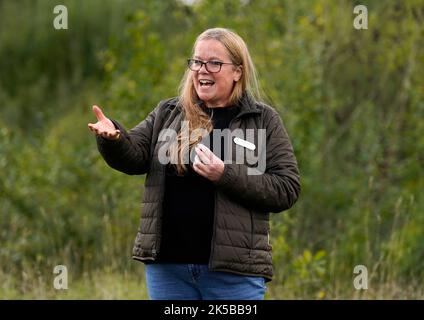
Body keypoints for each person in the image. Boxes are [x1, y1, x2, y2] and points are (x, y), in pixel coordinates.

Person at [88, 27, 300, 300]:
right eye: (197, 62)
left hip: (233, 273)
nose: (202, 70)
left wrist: (225, 174)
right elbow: (134, 156)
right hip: (169, 270)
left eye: (214, 63)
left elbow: (286, 188)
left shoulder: (262, 120)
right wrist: (113, 138)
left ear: (237, 71)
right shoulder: (169, 113)